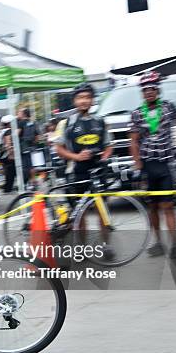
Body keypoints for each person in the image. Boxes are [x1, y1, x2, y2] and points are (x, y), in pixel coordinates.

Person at [129, 71, 176, 260]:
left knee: (168, 206)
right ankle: (158, 243)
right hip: (148, 166)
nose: (149, 92)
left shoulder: (168, 107)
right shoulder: (137, 114)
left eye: (152, 89)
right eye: (145, 90)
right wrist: (138, 165)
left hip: (166, 164)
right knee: (153, 207)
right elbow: (133, 141)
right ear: (142, 93)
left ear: (158, 91)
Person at [55, 83, 115, 260]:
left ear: (92, 100)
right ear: (75, 100)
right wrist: (76, 157)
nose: (84, 101)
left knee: (102, 210)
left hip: (98, 173)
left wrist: (105, 157)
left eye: (87, 97)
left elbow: (109, 145)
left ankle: (106, 246)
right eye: (80, 98)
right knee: (79, 215)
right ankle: (82, 249)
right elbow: (58, 148)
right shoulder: (65, 123)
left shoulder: (100, 121)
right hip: (75, 173)